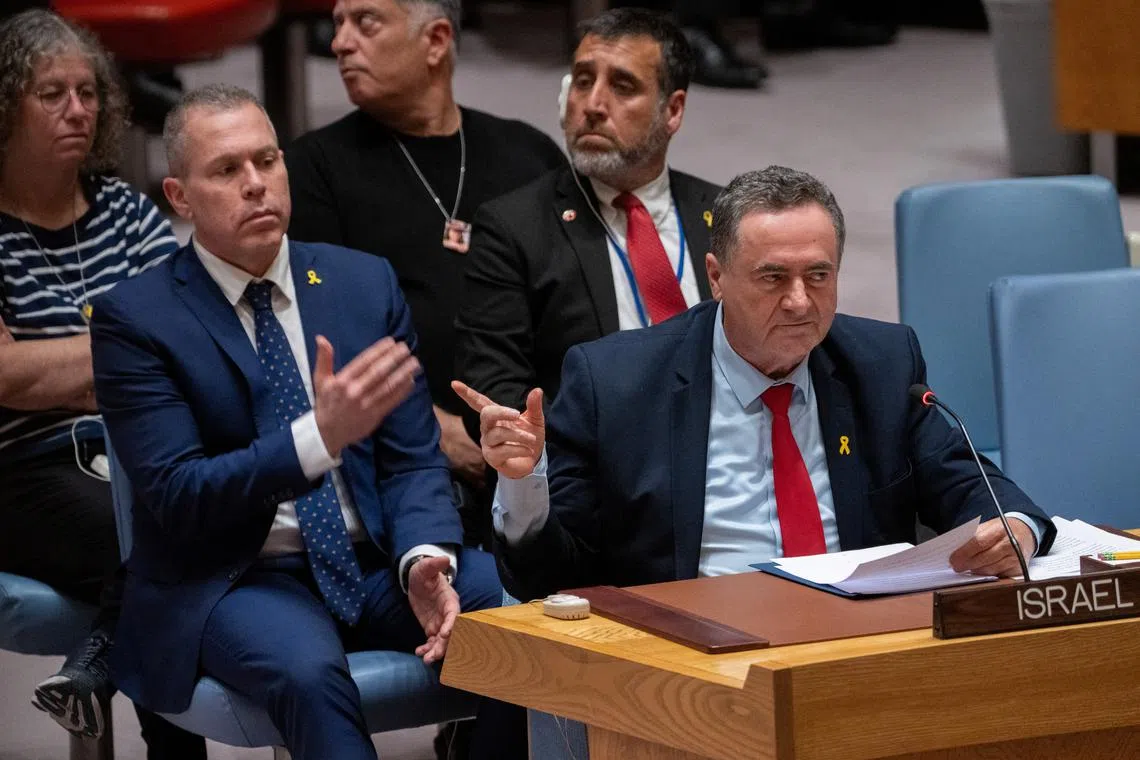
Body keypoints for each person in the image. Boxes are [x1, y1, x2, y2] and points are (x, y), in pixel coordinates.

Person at [89, 84, 522, 760]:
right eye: (227, 170)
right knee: (311, 675)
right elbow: (177, 495)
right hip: (238, 576)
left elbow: (413, 460)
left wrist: (422, 559)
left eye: (268, 160)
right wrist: (316, 440)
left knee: (517, 618)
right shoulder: (138, 320)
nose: (257, 185)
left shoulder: (361, 284)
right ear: (179, 197)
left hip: (374, 561)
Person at [455, 166, 1057, 603]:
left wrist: (1017, 530)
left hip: (855, 640)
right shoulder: (616, 383)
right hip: (695, 651)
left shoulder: (881, 361)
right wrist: (523, 484)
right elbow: (550, 576)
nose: (800, 302)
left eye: (818, 275)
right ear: (715, 276)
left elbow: (975, 486)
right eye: (773, 278)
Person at [0, 9, 206, 756]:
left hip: (140, 452)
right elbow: (7, 380)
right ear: (4, 104)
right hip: (27, 471)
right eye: (51, 93)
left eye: (88, 92)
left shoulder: (126, 210)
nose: (78, 110)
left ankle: (93, 666)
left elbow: (189, 344)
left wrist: (60, 368)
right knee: (169, 542)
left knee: (186, 521)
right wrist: (122, 359)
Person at [286, 0, 565, 548]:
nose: (339, 42)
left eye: (364, 23)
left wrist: (552, 435)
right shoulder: (312, 168)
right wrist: (439, 436)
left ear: (436, 41)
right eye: (337, 23)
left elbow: (571, 308)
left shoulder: (527, 153)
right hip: (409, 462)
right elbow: (324, 345)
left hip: (539, 446)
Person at [454, 8, 721, 421]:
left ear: (673, 111)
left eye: (623, 86)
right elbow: (496, 390)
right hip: (595, 469)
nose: (593, 104)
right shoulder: (513, 229)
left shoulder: (725, 216)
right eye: (582, 81)